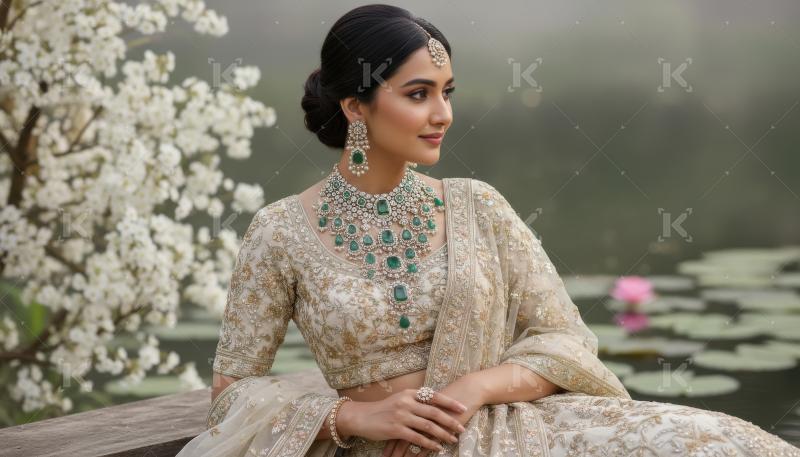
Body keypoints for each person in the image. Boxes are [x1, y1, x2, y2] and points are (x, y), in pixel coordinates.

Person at [176, 4, 800, 456]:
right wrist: (353, 418)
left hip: (516, 428)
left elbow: (565, 341)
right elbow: (232, 395)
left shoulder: (478, 206)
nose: (443, 114)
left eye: (447, 92)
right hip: (390, 448)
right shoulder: (281, 231)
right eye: (418, 94)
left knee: (722, 443)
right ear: (355, 105)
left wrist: (475, 387)